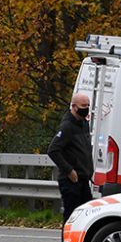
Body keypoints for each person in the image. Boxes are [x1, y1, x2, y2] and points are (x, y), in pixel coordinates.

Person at [47, 92, 94, 222]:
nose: (86, 109)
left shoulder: (84, 124)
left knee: (87, 216)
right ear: (74, 106)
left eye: (88, 105)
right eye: (83, 106)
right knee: (71, 217)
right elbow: (53, 150)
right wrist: (69, 170)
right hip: (71, 181)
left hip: (83, 179)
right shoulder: (67, 126)